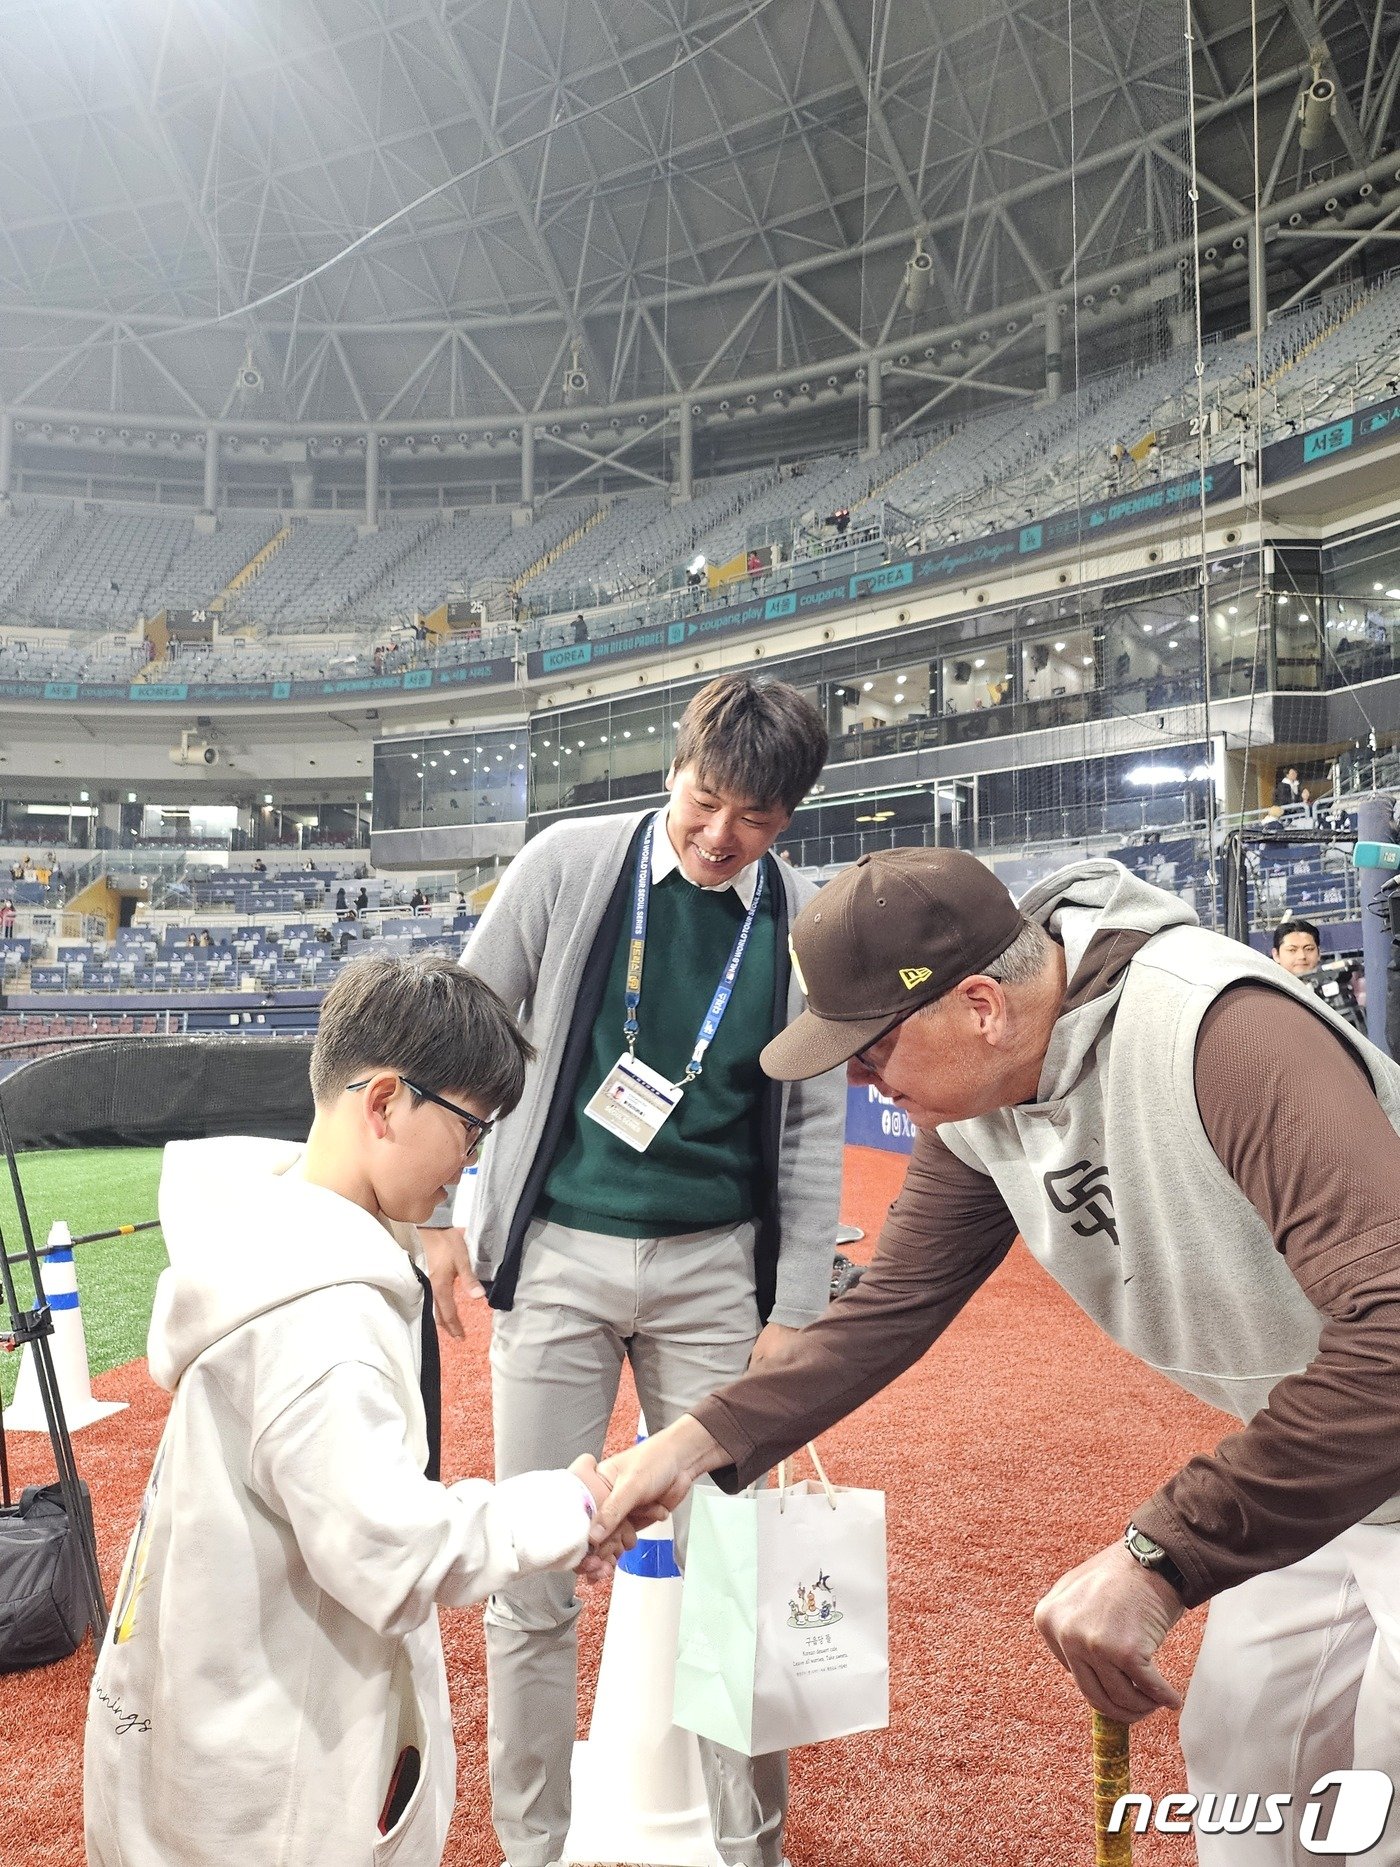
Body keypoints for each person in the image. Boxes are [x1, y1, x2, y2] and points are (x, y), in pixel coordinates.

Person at [592, 847, 1400, 1866]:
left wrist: (1160, 1554)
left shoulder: (1218, 1028)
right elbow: (891, 1303)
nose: (853, 1077)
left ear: (979, 1006)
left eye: (868, 1046)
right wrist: (691, 1445)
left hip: (1365, 1419)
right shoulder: (978, 1105)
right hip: (1331, 1464)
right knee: (1243, 1764)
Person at [419, 674, 844, 1867]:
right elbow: (468, 1024)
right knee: (531, 1572)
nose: (719, 838)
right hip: (553, 1255)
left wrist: (794, 1308)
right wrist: (445, 1209)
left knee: (731, 1578)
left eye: (753, 821)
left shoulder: (803, 928)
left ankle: (747, 1845)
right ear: (675, 765)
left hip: (717, 1273)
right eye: (705, 801)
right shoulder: (566, 863)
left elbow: (810, 1126)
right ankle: (532, 1847)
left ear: (789, 818)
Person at [84, 953, 634, 1867]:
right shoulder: (322, 1319)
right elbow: (390, 1547)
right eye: (470, 1126)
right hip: (271, 1792)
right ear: (384, 1102)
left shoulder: (267, 1232)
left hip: (201, 1736)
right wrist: (568, 1507)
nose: (472, 1158)